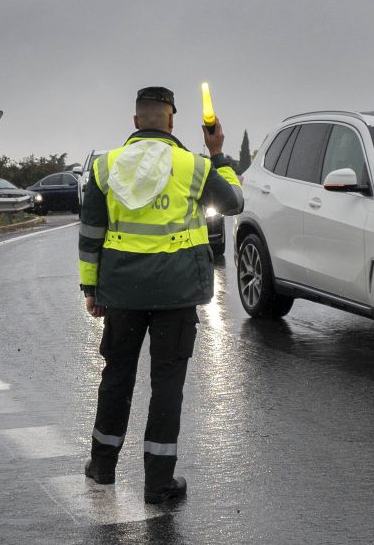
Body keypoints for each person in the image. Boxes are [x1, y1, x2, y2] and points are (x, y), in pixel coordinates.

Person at [78, 86, 243, 503]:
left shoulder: (104, 166)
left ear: (136, 121)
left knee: (116, 377)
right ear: (171, 121)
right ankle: (158, 483)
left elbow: (90, 235)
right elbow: (234, 202)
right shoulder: (193, 166)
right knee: (167, 384)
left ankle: (102, 467)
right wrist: (218, 153)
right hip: (176, 294)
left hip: (121, 293)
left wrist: (90, 288)